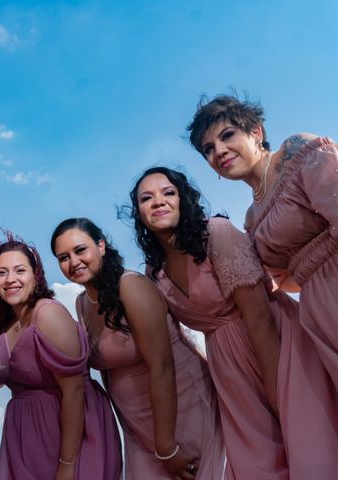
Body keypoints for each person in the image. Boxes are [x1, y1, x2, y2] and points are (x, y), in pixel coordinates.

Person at [130, 167, 296, 479]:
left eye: (168, 192)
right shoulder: (156, 272)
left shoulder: (216, 233)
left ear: (183, 199)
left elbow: (260, 318)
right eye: (146, 198)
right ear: (138, 212)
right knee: (258, 462)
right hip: (227, 371)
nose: (158, 202)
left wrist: (278, 394)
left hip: (274, 348)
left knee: (300, 439)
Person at [51, 217, 225, 480]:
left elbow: (162, 366)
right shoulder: (81, 304)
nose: (73, 262)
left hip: (182, 413)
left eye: (80, 250)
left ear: (100, 246)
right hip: (138, 429)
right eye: (63, 257)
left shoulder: (130, 286)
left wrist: (166, 446)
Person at [188, 95, 338, 390]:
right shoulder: (251, 219)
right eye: (209, 149)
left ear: (256, 132)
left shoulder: (297, 151)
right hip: (317, 314)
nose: (219, 151)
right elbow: (286, 281)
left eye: (227, 135)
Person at [0, 236, 122, 480]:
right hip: (23, 437)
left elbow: (75, 391)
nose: (10, 279)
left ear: (36, 276)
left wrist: (67, 465)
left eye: (19, 270)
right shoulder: (4, 325)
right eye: (1, 273)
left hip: (65, 435)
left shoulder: (48, 314)